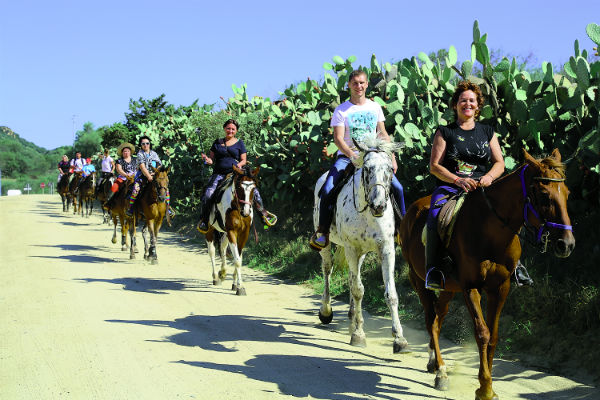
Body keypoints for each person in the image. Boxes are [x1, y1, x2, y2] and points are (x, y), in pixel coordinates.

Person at [425, 80, 532, 290]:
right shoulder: (445, 132)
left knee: (515, 212)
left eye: (472, 100)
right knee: (435, 215)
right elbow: (435, 166)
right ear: (455, 104)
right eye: (463, 100)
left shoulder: (487, 131)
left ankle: (516, 265)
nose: (468, 104)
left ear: (478, 105)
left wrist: (489, 177)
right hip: (452, 188)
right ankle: (434, 269)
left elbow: (499, 162)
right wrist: (457, 179)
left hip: (484, 188)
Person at [309, 69, 406, 251]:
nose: (359, 86)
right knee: (328, 188)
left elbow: (382, 133)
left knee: (398, 188)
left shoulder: (374, 107)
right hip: (348, 157)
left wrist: (391, 156)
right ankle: (322, 232)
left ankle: (403, 230)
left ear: (367, 84)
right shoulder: (341, 110)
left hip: (374, 156)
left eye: (362, 83)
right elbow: (338, 139)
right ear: (349, 86)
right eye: (355, 83)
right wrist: (352, 155)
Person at [196, 119, 277, 234]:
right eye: (228, 128)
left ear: (236, 131)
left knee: (253, 190)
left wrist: (237, 167)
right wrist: (207, 160)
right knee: (208, 193)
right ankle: (204, 220)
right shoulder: (217, 142)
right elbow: (211, 159)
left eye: (233, 129)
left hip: (236, 173)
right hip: (219, 174)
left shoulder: (240, 143)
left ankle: (264, 216)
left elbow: (244, 160)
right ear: (224, 129)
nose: (230, 131)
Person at [125, 136, 175, 218]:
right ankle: (131, 208)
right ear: (141, 145)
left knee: (164, 189)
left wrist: (155, 173)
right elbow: (142, 167)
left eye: (147, 143)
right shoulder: (140, 154)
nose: (145, 145)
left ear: (149, 144)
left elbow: (159, 165)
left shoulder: (154, 153)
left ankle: (168, 208)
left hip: (154, 175)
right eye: (143, 144)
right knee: (135, 190)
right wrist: (148, 176)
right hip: (142, 176)